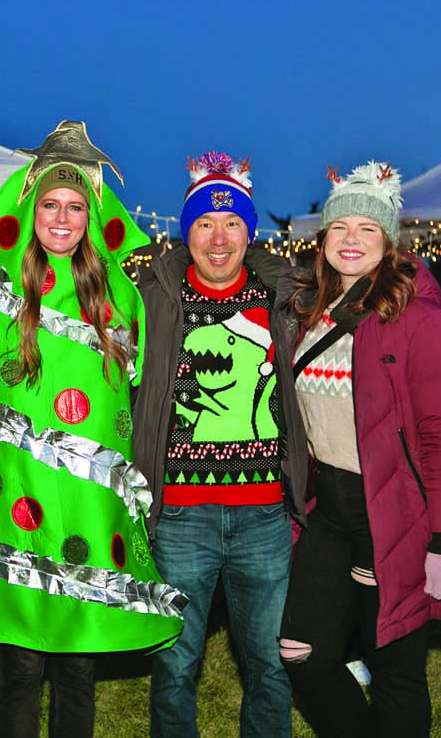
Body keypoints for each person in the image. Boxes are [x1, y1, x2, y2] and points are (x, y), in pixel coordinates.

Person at [0, 122, 185, 738]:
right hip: (13, 499)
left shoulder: (120, 299)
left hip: (84, 510)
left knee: (75, 663)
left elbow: (124, 401)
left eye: (74, 206)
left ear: (90, 214)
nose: (62, 218)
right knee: (20, 660)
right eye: (50, 204)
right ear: (29, 207)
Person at [259, 162, 441, 738]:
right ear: (322, 239)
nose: (352, 239)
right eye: (340, 228)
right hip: (328, 514)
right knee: (300, 649)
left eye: (367, 229)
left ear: (388, 243)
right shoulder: (307, 316)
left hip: (396, 517)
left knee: (394, 670)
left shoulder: (422, 322)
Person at [132, 152, 305, 738]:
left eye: (232, 223)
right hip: (181, 514)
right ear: (188, 231)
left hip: (263, 515)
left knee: (270, 663)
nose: (218, 237)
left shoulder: (283, 299)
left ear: (249, 231)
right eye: (204, 222)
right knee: (175, 663)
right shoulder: (153, 297)